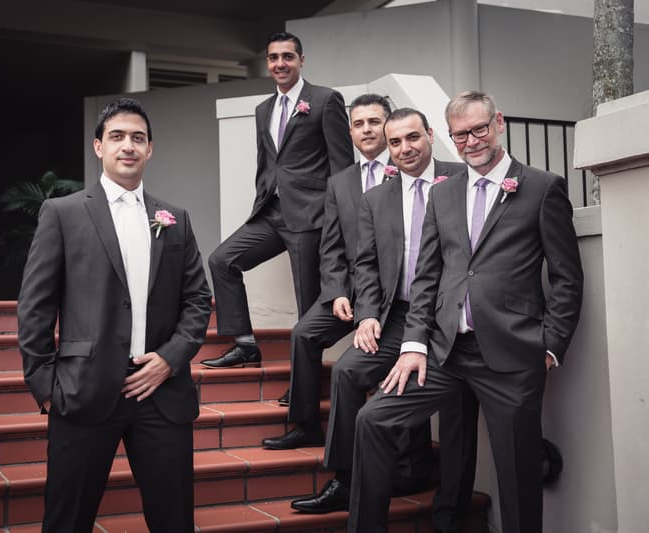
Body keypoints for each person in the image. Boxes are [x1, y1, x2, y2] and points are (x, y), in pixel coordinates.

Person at [348, 91, 584, 533]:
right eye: (461, 135)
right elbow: (427, 277)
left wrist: (551, 346)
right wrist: (415, 343)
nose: (471, 141)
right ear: (450, 139)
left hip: (512, 358)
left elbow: (568, 277)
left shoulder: (541, 187)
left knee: (517, 478)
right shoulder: (444, 193)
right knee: (373, 420)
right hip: (445, 354)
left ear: (498, 123)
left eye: (479, 129)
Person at [17, 98, 211, 533]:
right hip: (82, 393)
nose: (129, 146)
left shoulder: (174, 219)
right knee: (67, 520)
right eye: (118, 137)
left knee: (174, 520)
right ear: (98, 146)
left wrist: (170, 360)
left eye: (138, 138)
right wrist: (45, 385)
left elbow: (198, 299)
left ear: (150, 149)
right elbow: (35, 305)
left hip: (160, 395)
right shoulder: (62, 213)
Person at [290, 108, 477, 527]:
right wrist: (368, 315)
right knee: (347, 370)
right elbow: (367, 264)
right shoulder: (376, 198)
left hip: (450, 320)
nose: (405, 149)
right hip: (398, 315)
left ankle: (450, 513)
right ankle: (345, 477)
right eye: (396, 142)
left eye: (413, 138)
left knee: (459, 413)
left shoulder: (460, 179)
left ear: (430, 135)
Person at [202, 31, 353, 372]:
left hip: (312, 217)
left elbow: (343, 166)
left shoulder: (326, 100)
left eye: (287, 56)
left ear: (301, 60)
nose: (280, 63)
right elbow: (268, 161)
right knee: (222, 261)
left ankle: (305, 389)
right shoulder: (263, 109)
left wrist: (335, 218)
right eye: (273, 58)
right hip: (270, 212)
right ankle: (243, 344)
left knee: (308, 307)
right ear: (268, 63)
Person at [261, 93, 391, 450]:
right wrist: (336, 292)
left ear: (388, 125)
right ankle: (305, 425)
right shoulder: (340, 182)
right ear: (349, 132)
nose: (366, 130)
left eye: (374, 122)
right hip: (349, 292)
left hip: (393, 296)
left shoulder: (406, 170)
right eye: (359, 124)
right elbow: (330, 246)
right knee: (304, 333)